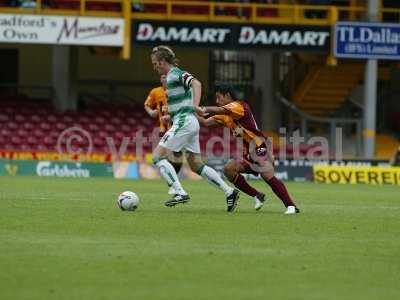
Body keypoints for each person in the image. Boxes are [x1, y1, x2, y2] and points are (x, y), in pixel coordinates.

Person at [150, 45, 240, 212]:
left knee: (157, 157)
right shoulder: (172, 77)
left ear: (163, 62)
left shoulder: (174, 74)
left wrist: (195, 106)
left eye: (155, 63)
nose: (155, 67)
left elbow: (196, 84)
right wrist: (172, 115)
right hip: (187, 121)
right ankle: (229, 192)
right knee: (196, 165)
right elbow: (184, 100)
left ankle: (179, 192)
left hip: (185, 121)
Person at [196, 84, 300, 214]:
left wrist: (201, 108)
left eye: (218, 97)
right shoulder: (225, 116)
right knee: (229, 169)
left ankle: (291, 206)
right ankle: (257, 195)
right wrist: (189, 112)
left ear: (227, 95)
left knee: (265, 172)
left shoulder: (239, 106)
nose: (217, 101)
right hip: (248, 153)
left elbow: (219, 110)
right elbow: (205, 123)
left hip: (260, 146)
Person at [144, 75, 183, 195]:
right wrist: (151, 112)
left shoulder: (178, 91)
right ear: (160, 79)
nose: (164, 78)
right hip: (163, 129)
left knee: (177, 157)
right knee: (165, 157)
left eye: (166, 76)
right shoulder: (156, 92)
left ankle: (174, 184)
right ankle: (173, 185)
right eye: (162, 77)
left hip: (177, 127)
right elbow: (147, 104)